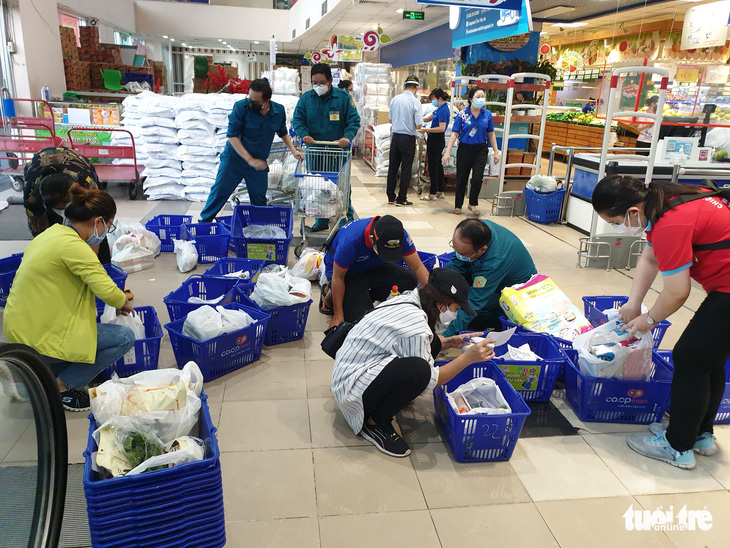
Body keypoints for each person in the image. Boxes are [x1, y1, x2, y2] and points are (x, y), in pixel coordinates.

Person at [592, 175, 730, 470]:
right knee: (709, 359)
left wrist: (649, 319)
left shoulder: (671, 223)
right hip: (724, 287)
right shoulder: (667, 197)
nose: (619, 228)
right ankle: (701, 435)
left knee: (689, 359)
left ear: (631, 212)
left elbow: (678, 292)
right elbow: (651, 259)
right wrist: (633, 304)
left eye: (616, 222)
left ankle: (678, 446)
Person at [331, 267, 495, 457]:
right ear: (442, 304)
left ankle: (385, 400)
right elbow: (431, 380)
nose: (456, 315)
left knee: (432, 342)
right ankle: (375, 423)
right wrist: (468, 358)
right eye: (456, 309)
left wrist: (448, 342)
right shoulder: (416, 324)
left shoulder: (410, 299)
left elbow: (416, 341)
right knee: (420, 371)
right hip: (351, 390)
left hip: (351, 369)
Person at [3, 184, 137, 412]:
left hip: (19, 331)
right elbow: (108, 290)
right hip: (41, 339)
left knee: (91, 328)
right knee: (124, 337)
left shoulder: (51, 234)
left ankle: (37, 375)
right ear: (98, 222)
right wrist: (123, 302)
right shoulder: (75, 247)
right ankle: (58, 387)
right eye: (109, 224)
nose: (107, 231)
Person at [200, 78, 303, 222]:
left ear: (267, 100)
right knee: (219, 192)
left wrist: (293, 151)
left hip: (258, 163)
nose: (251, 104)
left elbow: (283, 132)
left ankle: (259, 230)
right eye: (249, 99)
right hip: (234, 160)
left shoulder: (278, 111)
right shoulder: (240, 108)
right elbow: (232, 136)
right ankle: (204, 223)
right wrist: (249, 159)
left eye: (255, 102)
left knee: (259, 200)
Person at [319, 215, 430, 327]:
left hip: (374, 267)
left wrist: (434, 295)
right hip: (348, 274)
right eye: (384, 251)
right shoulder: (351, 240)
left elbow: (418, 267)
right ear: (372, 239)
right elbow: (338, 277)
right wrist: (338, 315)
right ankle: (333, 294)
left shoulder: (399, 235)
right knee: (363, 321)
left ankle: (363, 297)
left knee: (409, 280)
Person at [293, 63, 361, 232]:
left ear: (330, 80)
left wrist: (347, 137)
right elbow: (297, 120)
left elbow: (354, 121)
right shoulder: (306, 99)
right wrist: (304, 134)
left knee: (342, 187)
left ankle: (347, 221)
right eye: (314, 83)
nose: (318, 86)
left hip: (338, 151)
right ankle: (321, 221)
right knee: (317, 188)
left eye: (321, 82)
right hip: (315, 151)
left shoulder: (343, 98)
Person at [442, 218, 537, 336]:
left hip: (516, 294)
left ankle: (496, 321)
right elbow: (457, 263)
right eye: (454, 249)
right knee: (447, 272)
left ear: (483, 249)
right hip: (493, 277)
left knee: (477, 309)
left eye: (463, 254)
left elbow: (475, 300)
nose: (458, 255)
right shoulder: (477, 229)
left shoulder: (494, 262)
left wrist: (447, 334)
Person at [23, 146, 112, 264]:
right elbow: (39, 233)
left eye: (64, 208)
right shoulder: (32, 194)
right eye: (58, 209)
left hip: (76, 165)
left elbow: (96, 227)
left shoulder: (86, 184)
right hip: (37, 171)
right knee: (53, 241)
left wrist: (93, 265)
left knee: (92, 233)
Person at [442, 87, 500, 216]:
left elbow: (491, 133)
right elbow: (454, 134)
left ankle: (473, 203)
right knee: (462, 178)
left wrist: (496, 151)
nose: (481, 99)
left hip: (481, 149)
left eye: (482, 96)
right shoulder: (462, 114)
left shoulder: (487, 114)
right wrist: (447, 152)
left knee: (477, 178)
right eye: (478, 97)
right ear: (471, 99)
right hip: (465, 149)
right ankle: (458, 205)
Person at [386, 75, 424, 207]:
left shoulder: (395, 99)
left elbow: (390, 119)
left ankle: (391, 196)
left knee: (393, 167)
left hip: (395, 137)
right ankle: (401, 198)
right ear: (416, 87)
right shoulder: (415, 102)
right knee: (406, 168)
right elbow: (419, 125)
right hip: (408, 138)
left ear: (404, 86)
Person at [419, 88, 450, 201]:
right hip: (435, 139)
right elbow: (428, 118)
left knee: (433, 166)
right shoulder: (439, 108)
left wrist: (426, 130)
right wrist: (418, 120)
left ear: (439, 98)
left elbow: (441, 128)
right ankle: (440, 190)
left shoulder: (443, 110)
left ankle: (432, 193)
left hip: (436, 139)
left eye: (433, 99)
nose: (433, 101)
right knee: (438, 165)